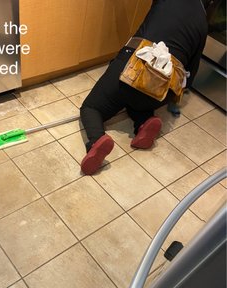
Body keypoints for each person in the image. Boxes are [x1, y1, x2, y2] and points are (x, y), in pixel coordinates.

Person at [80, 0, 210, 175]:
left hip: (133, 65)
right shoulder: (203, 21)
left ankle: (97, 140)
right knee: (138, 99)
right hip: (163, 87)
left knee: (91, 108)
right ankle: (144, 121)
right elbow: (190, 74)